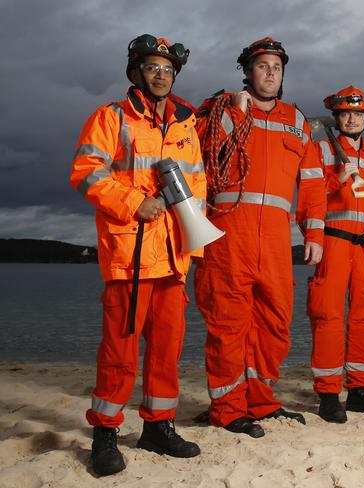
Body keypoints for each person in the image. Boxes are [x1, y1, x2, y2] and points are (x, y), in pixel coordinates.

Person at [70, 34, 203, 476]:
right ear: (136, 73)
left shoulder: (187, 124)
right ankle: (105, 433)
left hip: (172, 257)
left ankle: (157, 427)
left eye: (167, 69)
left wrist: (194, 248)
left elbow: (196, 189)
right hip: (130, 252)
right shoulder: (111, 116)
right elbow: (87, 173)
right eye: (151, 67)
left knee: (167, 349)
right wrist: (133, 202)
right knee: (120, 351)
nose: (160, 74)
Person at [193, 37, 327, 438]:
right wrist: (232, 113)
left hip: (275, 236)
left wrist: (314, 232)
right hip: (228, 228)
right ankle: (228, 407)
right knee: (228, 322)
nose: (270, 72)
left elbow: (314, 182)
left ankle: (260, 400)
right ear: (248, 71)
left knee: (275, 320)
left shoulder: (297, 121)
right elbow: (195, 154)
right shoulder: (222, 111)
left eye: (277, 67)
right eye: (263, 65)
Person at [308, 86, 364, 423]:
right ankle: (329, 394)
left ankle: (359, 389)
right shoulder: (319, 151)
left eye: (357, 114)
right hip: (333, 242)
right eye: (345, 113)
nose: (351, 118)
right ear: (336, 116)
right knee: (328, 317)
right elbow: (309, 196)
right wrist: (335, 179)